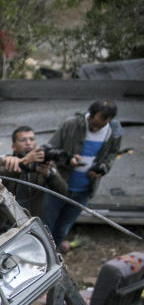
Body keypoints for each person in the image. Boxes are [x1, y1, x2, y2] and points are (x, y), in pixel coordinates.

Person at [42, 100, 121, 251]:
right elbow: (49, 149)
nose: (94, 128)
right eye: (92, 123)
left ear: (109, 121)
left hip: (84, 190)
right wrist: (67, 158)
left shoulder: (114, 132)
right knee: (46, 226)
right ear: (89, 115)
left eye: (99, 126)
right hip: (58, 186)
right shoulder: (71, 124)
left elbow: (112, 154)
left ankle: (52, 259)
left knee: (62, 229)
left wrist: (103, 168)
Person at [0, 126, 66, 218]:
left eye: (32, 139)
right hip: (6, 220)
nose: (28, 143)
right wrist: (23, 164)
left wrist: (49, 175)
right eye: (23, 140)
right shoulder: (7, 161)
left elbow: (63, 190)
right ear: (13, 146)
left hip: (33, 218)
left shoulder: (43, 163)